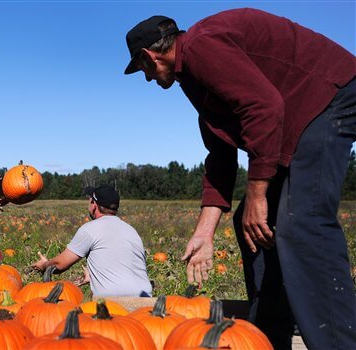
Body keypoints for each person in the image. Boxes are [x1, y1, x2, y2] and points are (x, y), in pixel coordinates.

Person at [124, 8, 356, 350]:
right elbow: (220, 157)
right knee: (251, 225)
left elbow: (263, 108)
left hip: (327, 97)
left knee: (301, 221)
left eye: (141, 68)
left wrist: (259, 195)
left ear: (149, 54)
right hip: (297, 118)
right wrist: (205, 233)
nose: (145, 77)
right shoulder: (193, 77)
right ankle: (268, 337)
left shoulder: (202, 48)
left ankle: (339, 343)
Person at [32, 185, 153, 297]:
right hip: (146, 303)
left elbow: (59, 265)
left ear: (94, 204)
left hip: (113, 305)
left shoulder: (90, 229)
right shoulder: (131, 231)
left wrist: (44, 265)